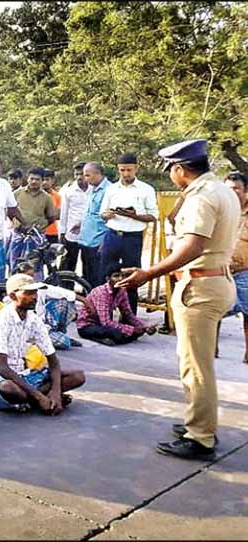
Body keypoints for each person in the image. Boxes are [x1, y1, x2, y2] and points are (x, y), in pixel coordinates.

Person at [118, 139, 240, 460]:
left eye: (171, 170)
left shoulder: (202, 197)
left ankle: (201, 436)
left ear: (179, 169)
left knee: (195, 368)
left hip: (200, 287)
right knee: (197, 363)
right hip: (215, 281)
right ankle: (196, 421)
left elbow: (193, 246)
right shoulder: (220, 190)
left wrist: (149, 273)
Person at [0, 274, 86, 413]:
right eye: (28, 293)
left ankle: (34, 400)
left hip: (22, 374)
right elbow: (2, 368)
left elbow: (53, 360)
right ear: (13, 296)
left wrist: (56, 392)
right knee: (9, 389)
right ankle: (37, 399)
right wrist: (40, 396)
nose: (34, 297)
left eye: (35, 292)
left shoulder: (34, 320)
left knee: (78, 376)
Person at [99, 153, 159, 313]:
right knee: (105, 275)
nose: (126, 174)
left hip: (132, 238)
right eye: (122, 170)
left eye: (129, 170)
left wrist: (135, 215)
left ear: (136, 169)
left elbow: (153, 216)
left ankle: (130, 317)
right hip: (112, 235)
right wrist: (108, 214)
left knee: (131, 277)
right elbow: (102, 213)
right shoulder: (111, 189)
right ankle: (104, 313)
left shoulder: (146, 189)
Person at [76, 266, 156, 346]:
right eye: (116, 276)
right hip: (87, 325)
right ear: (108, 279)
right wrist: (132, 330)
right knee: (118, 333)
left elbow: (128, 314)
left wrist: (144, 327)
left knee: (128, 332)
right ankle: (99, 338)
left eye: (123, 276)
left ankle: (110, 338)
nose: (121, 279)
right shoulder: (101, 293)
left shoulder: (122, 291)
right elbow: (106, 323)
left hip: (101, 324)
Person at [15, 261, 84, 350]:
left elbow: (62, 292)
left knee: (64, 303)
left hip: (43, 324)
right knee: (65, 343)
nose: (30, 279)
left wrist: (85, 300)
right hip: (31, 331)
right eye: (27, 276)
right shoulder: (15, 294)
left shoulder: (39, 287)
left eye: (32, 276)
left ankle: (58, 333)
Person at [221, 171, 248, 363]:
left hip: (246, 272)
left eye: (236, 189)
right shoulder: (221, 211)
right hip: (221, 270)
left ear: (246, 191)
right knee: (215, 312)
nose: (232, 193)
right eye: (228, 189)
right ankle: (211, 349)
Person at [10, 167, 56, 275]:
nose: (34, 181)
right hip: (18, 235)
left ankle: (35, 289)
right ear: (27, 179)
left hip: (36, 237)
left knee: (35, 267)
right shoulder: (17, 194)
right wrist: (18, 224)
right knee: (15, 264)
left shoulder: (47, 198)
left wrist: (39, 227)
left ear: (42, 180)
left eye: (37, 179)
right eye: (32, 179)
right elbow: (10, 211)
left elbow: (51, 217)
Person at [77, 162, 112, 287]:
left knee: (98, 277)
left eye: (87, 175)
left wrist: (105, 241)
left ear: (98, 174)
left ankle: (98, 304)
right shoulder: (91, 190)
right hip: (86, 239)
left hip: (99, 240)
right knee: (87, 276)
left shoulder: (109, 190)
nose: (85, 179)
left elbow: (111, 219)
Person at [59, 161, 90, 272]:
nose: (79, 177)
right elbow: (64, 213)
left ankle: (87, 288)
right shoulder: (69, 191)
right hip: (71, 234)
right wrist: (62, 232)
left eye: (82, 174)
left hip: (90, 235)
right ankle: (66, 287)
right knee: (68, 263)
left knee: (88, 264)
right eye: (76, 174)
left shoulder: (95, 190)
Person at [42, 170, 62, 244]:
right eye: (43, 179)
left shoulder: (57, 196)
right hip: (38, 232)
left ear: (53, 181)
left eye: (47, 180)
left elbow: (58, 215)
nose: (44, 182)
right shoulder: (35, 196)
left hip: (52, 232)